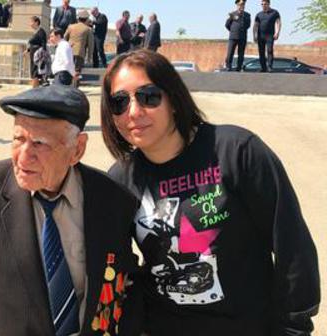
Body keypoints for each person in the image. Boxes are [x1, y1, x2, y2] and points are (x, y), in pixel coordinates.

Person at [100, 49, 320, 335]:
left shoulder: (237, 152)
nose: (134, 112)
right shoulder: (120, 180)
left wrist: (293, 328)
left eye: (148, 96)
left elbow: (293, 248)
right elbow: (115, 267)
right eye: (119, 102)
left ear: (174, 99)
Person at [0, 84, 143, 336]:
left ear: (77, 149)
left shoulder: (112, 199)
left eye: (39, 143)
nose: (23, 157)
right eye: (18, 139)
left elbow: (123, 280)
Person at [65, 9, 94, 88]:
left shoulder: (70, 27)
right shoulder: (88, 29)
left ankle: (66, 88)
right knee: (77, 71)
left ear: (78, 18)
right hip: (79, 53)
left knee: (68, 70)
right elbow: (90, 45)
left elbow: (64, 39)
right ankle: (74, 89)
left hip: (68, 51)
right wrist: (89, 57)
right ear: (87, 19)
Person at [254, 0, 281, 72]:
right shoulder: (259, 14)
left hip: (270, 35)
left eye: (265, 4)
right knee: (261, 52)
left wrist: (277, 33)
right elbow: (255, 26)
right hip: (260, 36)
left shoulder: (275, 12)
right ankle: (263, 68)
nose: (263, 5)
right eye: (262, 4)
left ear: (269, 4)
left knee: (270, 50)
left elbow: (278, 23)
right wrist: (254, 35)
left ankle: (269, 67)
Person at [225, 0, 251, 71]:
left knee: (241, 54)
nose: (241, 6)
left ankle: (239, 67)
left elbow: (248, 25)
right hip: (233, 37)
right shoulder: (232, 14)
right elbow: (227, 25)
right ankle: (228, 66)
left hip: (242, 37)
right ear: (237, 5)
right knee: (230, 52)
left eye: (243, 4)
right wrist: (233, 30)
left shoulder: (247, 15)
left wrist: (239, 16)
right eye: (240, 4)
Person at [27, 15, 47, 88]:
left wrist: (43, 57)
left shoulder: (41, 31)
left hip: (37, 55)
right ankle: (35, 88)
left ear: (36, 22)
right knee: (33, 71)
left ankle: (35, 88)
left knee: (35, 71)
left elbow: (43, 44)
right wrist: (28, 50)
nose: (30, 24)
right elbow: (34, 42)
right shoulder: (36, 31)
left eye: (31, 22)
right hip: (33, 53)